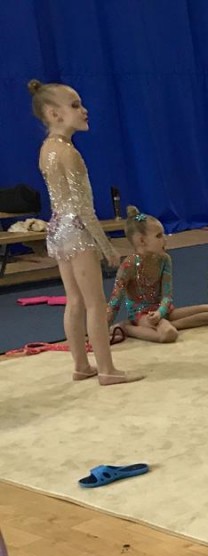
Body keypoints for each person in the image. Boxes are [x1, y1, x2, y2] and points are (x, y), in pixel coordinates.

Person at [28, 79, 141, 385]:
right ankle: (107, 369)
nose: (84, 110)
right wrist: (106, 246)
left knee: (74, 300)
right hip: (76, 230)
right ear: (54, 114)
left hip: (57, 229)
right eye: (75, 105)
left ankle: (81, 365)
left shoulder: (46, 149)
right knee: (95, 304)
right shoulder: (70, 154)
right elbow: (83, 209)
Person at [110, 207, 208, 343]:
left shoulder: (164, 259)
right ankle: (127, 328)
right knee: (169, 334)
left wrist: (160, 312)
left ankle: (169, 324)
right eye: (159, 236)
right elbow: (115, 302)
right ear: (141, 241)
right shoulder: (128, 265)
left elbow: (167, 295)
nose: (164, 239)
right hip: (141, 315)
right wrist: (103, 328)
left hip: (162, 311)